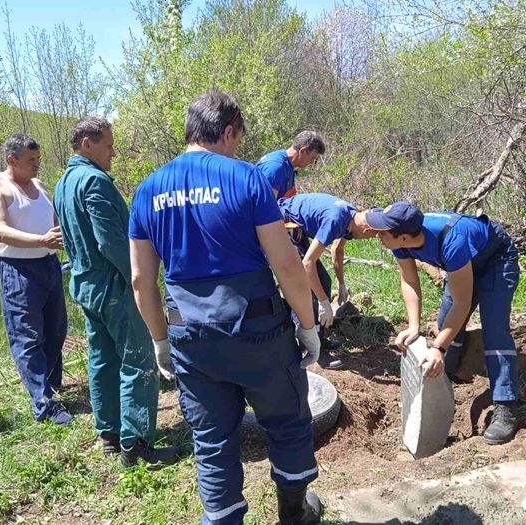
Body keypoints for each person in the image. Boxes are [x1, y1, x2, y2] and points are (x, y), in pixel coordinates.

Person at [129, 90, 323, 525]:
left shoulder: (147, 190)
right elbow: (287, 263)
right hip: (257, 332)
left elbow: (142, 280)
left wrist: (160, 340)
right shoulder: (246, 178)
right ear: (229, 131)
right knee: (287, 421)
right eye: (237, 139)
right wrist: (307, 325)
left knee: (213, 441)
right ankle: (294, 514)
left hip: (192, 337)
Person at [53, 117, 179, 467]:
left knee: (102, 359)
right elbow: (111, 242)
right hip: (114, 286)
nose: (113, 151)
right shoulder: (94, 181)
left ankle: (108, 433)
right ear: (88, 143)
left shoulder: (63, 182)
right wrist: (141, 279)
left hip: (85, 284)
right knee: (138, 360)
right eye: (108, 144)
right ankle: (137, 445)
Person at [375, 202, 520, 445]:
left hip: (496, 260)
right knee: (445, 322)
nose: (377, 235)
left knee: (494, 330)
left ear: (402, 237)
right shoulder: (401, 241)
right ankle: (444, 377)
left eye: (382, 232)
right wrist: (413, 326)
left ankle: (505, 404)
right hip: (461, 264)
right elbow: (409, 281)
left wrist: (438, 348)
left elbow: (462, 303)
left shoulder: (451, 240)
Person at [0, 133, 71, 425]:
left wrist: (58, 237)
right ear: (11, 159)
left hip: (49, 265)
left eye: (38, 159)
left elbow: (54, 221)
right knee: (27, 335)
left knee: (56, 329)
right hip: (17, 270)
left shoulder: (39, 186)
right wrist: (41, 240)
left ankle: (52, 387)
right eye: (30, 160)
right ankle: (43, 403)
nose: (36, 165)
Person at [277, 193, 384, 356]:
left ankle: (319, 339)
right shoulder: (335, 221)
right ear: (367, 229)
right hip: (284, 222)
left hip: (297, 225)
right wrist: (323, 302)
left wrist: (341, 284)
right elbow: (307, 264)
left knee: (323, 281)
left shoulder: (351, 216)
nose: (368, 238)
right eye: (372, 235)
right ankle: (307, 347)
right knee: (305, 288)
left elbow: (337, 250)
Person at [256, 131, 325, 200]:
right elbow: (266, 206)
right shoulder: (275, 168)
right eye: (312, 158)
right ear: (302, 151)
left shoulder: (288, 164)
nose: (312, 162)